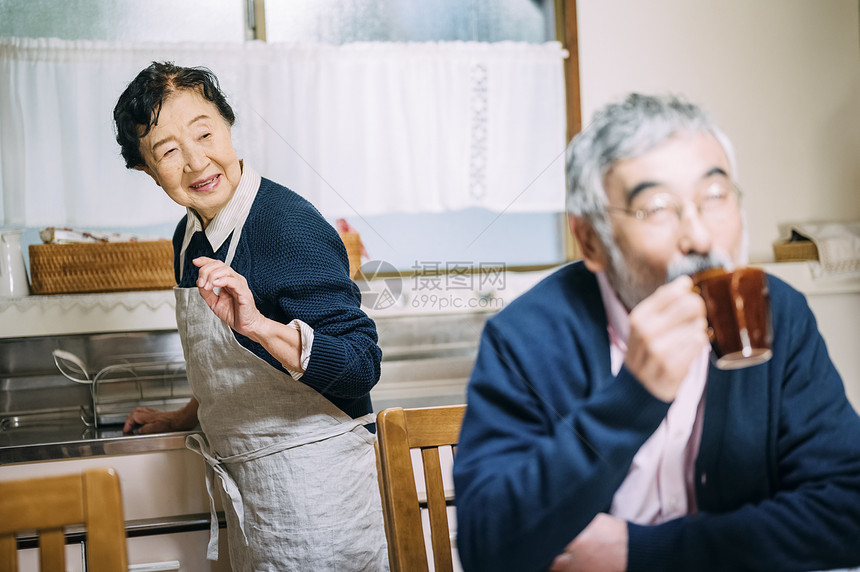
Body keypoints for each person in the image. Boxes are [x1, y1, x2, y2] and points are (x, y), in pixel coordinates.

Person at [452, 93, 860, 572]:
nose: (700, 238)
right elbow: (488, 548)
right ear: (590, 240)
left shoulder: (781, 313)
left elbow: (847, 509)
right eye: (657, 208)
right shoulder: (526, 336)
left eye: (714, 197)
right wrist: (634, 395)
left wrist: (643, 552)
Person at [113, 62, 388, 571]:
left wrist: (259, 325)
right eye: (169, 151)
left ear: (228, 124)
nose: (197, 161)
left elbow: (359, 366)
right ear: (146, 171)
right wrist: (183, 416)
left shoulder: (288, 226)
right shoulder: (188, 235)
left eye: (205, 132)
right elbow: (228, 365)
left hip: (316, 502)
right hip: (247, 494)